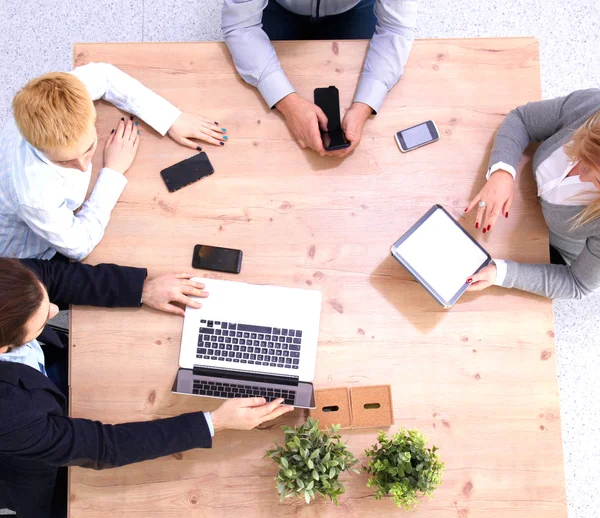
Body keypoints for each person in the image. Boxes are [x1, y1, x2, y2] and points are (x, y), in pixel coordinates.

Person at [0, 258, 292, 518]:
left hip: (40, 384)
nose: (55, 309)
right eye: (40, 321)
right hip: (37, 464)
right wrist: (216, 421)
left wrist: (143, 289)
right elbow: (103, 445)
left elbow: (52, 277)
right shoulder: (12, 415)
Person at [0, 62, 229, 261]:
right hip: (30, 252)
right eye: (64, 162)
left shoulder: (63, 96)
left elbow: (104, 75)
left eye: (89, 148)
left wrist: (170, 118)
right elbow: (80, 246)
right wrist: (112, 171)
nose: (82, 166)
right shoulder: (34, 197)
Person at [222, 0, 417, 157]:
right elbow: (241, 26)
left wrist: (364, 105)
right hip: (279, 8)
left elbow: (396, 29)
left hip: (353, 9)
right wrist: (287, 103)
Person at [464, 89, 600, 299]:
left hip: (551, 250)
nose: (581, 178)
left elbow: (578, 284)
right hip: (520, 193)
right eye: (584, 157)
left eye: (597, 181)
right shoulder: (591, 105)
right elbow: (521, 119)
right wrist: (502, 171)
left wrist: (501, 274)